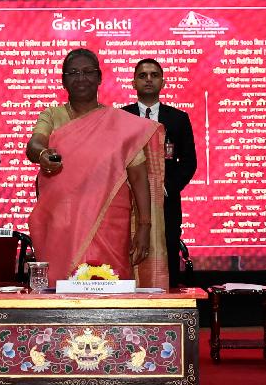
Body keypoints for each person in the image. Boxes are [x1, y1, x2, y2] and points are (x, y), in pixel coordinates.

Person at [26, 49, 167, 288]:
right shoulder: (52, 115)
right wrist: (42, 154)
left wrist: (144, 227)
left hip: (110, 224)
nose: (81, 78)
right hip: (62, 223)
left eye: (88, 72)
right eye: (73, 73)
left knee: (111, 286)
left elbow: (138, 178)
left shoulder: (120, 123)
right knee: (61, 289)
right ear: (63, 81)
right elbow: (34, 144)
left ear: (100, 77)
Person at [122, 58, 197, 287]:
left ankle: (167, 302)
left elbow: (189, 162)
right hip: (128, 203)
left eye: (154, 75)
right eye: (142, 75)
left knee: (167, 252)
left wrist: (164, 189)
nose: (148, 79)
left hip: (166, 203)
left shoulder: (178, 118)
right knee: (127, 253)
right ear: (133, 83)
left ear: (163, 82)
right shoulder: (121, 117)